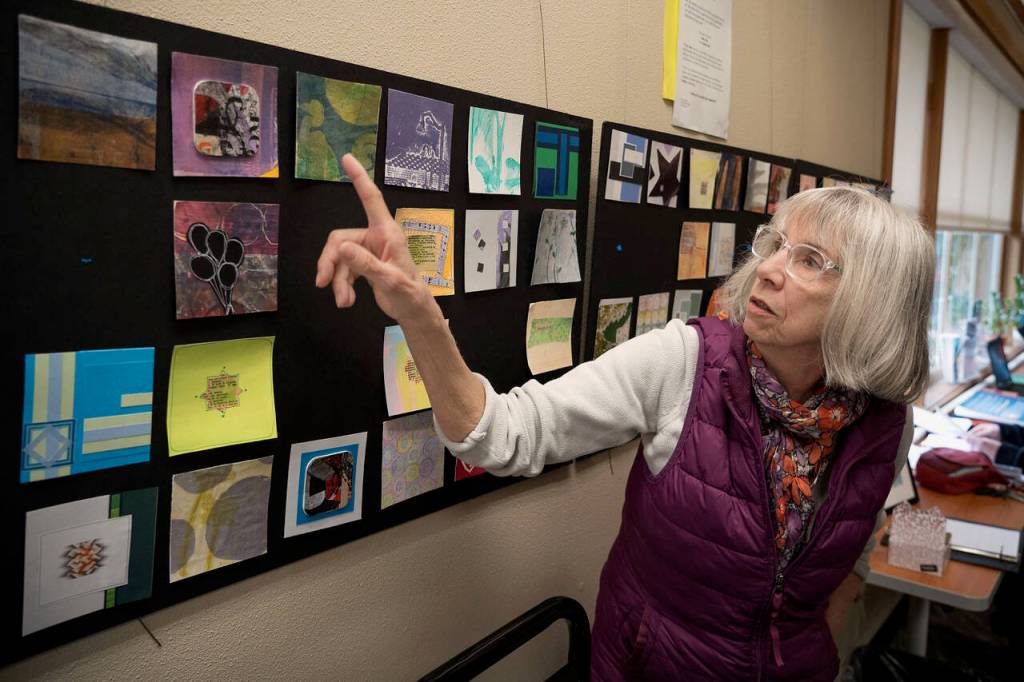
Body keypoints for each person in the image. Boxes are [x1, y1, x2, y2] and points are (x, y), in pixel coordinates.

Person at [316, 154, 934, 680]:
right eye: (774, 244)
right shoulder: (683, 364)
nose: (769, 267)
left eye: (809, 260)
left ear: (871, 302)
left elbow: (852, 550)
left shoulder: (884, 421)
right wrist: (419, 314)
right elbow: (502, 436)